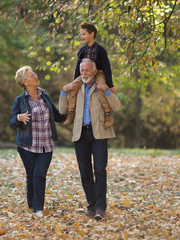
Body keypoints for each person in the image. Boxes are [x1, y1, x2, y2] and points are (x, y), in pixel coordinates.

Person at [59, 58, 121, 220]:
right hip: (80, 134)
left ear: (94, 71)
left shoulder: (101, 87)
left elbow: (117, 107)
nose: (84, 73)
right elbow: (62, 110)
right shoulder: (76, 88)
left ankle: (100, 207)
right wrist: (64, 91)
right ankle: (91, 206)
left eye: (87, 70)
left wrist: (107, 90)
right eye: (82, 70)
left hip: (99, 133)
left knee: (100, 170)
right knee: (85, 172)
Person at [10, 66, 66, 217]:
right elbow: (12, 123)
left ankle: (38, 208)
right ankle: (32, 203)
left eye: (34, 74)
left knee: (39, 175)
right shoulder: (20, 100)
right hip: (27, 146)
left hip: (46, 145)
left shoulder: (45, 97)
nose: (36, 76)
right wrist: (18, 118)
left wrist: (71, 109)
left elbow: (58, 116)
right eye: (32, 75)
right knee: (31, 175)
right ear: (25, 82)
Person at [63, 22, 116, 128]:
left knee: (101, 89)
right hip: (85, 73)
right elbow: (78, 68)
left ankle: (108, 114)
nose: (81, 37)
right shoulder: (82, 51)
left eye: (83, 34)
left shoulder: (101, 50)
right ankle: (70, 113)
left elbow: (107, 67)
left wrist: (110, 85)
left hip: (99, 72)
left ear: (92, 34)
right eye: (81, 35)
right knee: (73, 90)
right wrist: (75, 82)